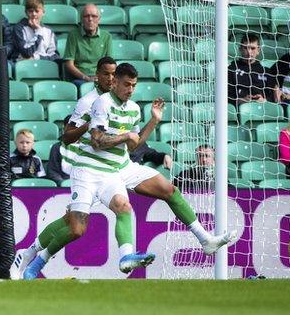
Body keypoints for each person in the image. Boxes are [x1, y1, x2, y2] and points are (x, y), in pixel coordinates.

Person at [18, 63, 234, 279]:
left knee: (163, 191)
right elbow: (96, 142)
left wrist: (153, 121)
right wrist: (125, 136)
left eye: (134, 85)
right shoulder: (99, 103)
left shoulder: (133, 109)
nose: (130, 90)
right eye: (126, 84)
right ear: (114, 82)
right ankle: (34, 258)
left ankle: (201, 239)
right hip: (90, 169)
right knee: (75, 228)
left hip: (119, 167)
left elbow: (134, 146)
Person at [64, 4, 113, 86]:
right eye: (86, 16)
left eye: (94, 16)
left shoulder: (107, 36)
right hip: (80, 79)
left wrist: (100, 77)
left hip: (100, 78)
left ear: (99, 19)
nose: (90, 19)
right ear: (81, 19)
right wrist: (86, 78)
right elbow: (69, 64)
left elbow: (109, 63)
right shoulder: (73, 35)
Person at [227, 33, 278, 105]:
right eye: (245, 48)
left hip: (262, 110)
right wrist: (240, 100)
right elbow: (225, 96)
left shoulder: (266, 72)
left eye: (253, 48)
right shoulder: (231, 69)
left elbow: (273, 98)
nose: (249, 52)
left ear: (258, 50)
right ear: (240, 49)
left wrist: (264, 100)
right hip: (238, 109)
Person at [46, 115, 72, 186]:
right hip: (63, 186)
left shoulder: (87, 148)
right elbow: (52, 171)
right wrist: (62, 183)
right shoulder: (56, 147)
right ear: (64, 129)